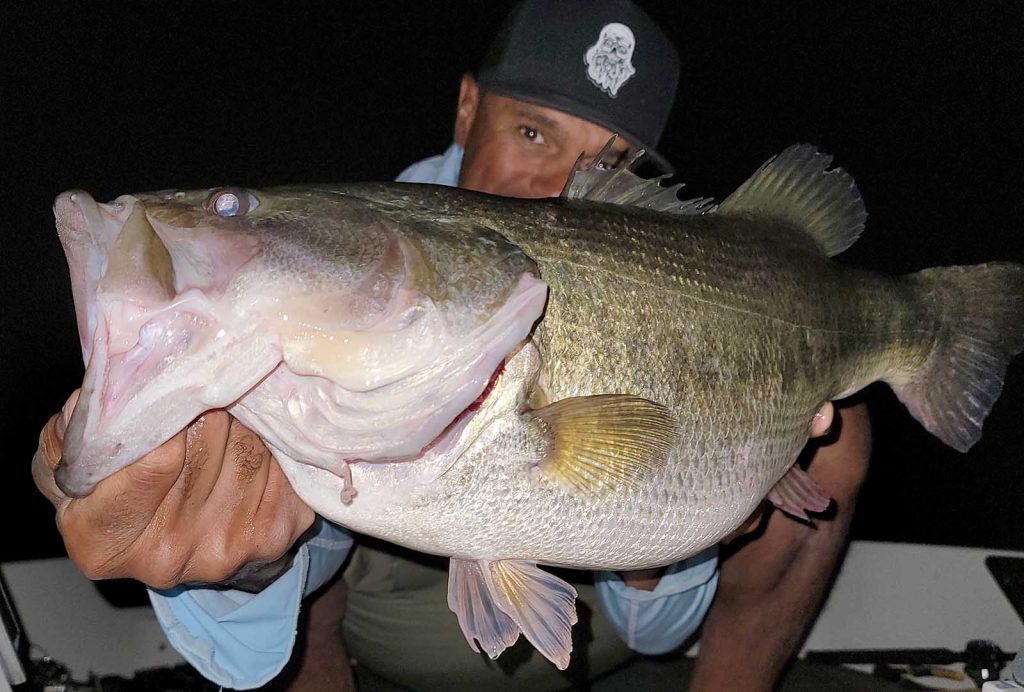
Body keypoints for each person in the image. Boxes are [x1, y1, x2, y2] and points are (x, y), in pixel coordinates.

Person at [32, 1, 872, 690]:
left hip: (603, 623)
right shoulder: (360, 272)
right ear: (468, 106)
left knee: (843, 429)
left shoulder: (650, 267)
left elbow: (656, 629)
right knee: (296, 535)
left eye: (608, 160)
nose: (552, 188)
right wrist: (235, 558)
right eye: (534, 133)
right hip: (372, 636)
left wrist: (685, 527)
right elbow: (251, 636)